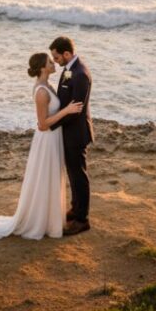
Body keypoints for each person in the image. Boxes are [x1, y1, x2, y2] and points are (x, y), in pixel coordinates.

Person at [0, 52, 83, 244]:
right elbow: (42, 124)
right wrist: (66, 111)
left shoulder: (48, 85)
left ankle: (50, 219)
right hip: (47, 140)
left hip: (54, 139)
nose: (54, 63)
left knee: (51, 178)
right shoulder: (41, 91)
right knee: (45, 178)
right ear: (43, 68)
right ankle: (39, 221)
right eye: (50, 62)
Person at [49, 36, 94, 236]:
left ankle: (82, 219)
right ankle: (75, 209)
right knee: (72, 174)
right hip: (68, 133)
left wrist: (51, 124)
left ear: (67, 53)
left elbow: (75, 110)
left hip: (76, 134)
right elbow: (64, 98)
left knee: (79, 177)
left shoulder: (80, 74)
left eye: (57, 57)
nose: (55, 61)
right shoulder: (68, 70)